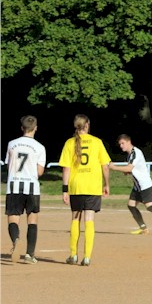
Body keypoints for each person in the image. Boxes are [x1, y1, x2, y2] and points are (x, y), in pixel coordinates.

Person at [58, 114, 111, 267]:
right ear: (87, 124)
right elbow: (105, 166)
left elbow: (66, 169)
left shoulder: (70, 142)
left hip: (76, 186)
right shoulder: (97, 142)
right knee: (89, 220)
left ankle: (73, 255)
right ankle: (87, 257)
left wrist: (65, 190)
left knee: (75, 219)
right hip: (93, 186)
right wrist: (106, 184)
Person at [107, 134, 152, 235]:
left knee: (150, 207)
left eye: (123, 143)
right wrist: (127, 172)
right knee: (131, 205)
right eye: (120, 144)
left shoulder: (135, 153)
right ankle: (143, 228)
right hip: (138, 186)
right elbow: (133, 169)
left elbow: (129, 168)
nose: (121, 146)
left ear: (129, 142)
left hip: (144, 185)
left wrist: (114, 167)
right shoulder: (130, 154)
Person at [4, 115, 46, 264]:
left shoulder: (12, 144)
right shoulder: (40, 147)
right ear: (36, 128)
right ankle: (29, 254)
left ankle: (16, 239)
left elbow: (9, 165)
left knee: (13, 218)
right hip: (32, 187)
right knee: (32, 220)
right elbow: (40, 171)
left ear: (22, 128)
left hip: (14, 185)